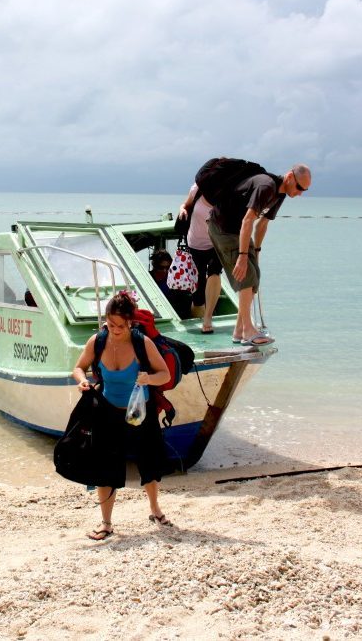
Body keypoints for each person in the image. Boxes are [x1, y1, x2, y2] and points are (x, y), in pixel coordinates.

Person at [71, 290, 173, 540]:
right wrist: (83, 381)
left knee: (147, 462)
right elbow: (78, 367)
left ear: (130, 322)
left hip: (140, 412)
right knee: (105, 467)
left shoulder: (142, 343)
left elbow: (165, 375)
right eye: (110, 323)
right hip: (107, 411)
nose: (115, 329)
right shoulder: (98, 341)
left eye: (120, 325)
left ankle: (155, 509)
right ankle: (106, 523)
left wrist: (149, 378)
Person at [207, 162, 312, 345]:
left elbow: (262, 223)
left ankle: (239, 330)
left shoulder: (280, 194)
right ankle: (248, 330)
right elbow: (248, 220)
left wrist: (256, 251)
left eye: (305, 190)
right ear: (289, 177)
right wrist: (242, 256)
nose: (301, 192)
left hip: (238, 230)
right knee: (245, 273)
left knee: (255, 275)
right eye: (299, 187)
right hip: (223, 227)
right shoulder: (266, 186)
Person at [176, 185, 221, 333]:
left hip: (217, 243)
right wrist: (182, 210)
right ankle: (197, 315)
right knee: (198, 293)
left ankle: (207, 319)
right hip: (195, 244)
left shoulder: (229, 192)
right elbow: (186, 205)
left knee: (214, 272)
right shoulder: (198, 189)